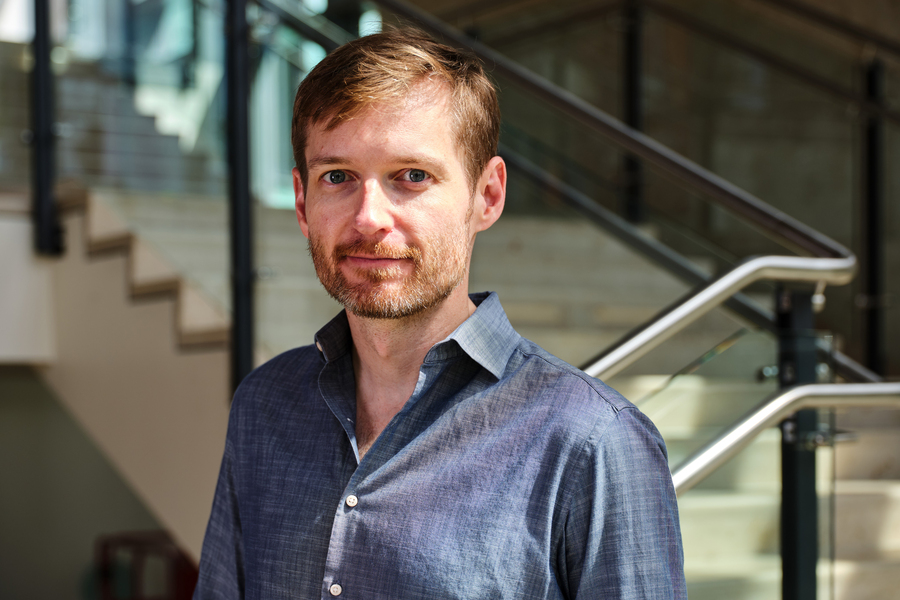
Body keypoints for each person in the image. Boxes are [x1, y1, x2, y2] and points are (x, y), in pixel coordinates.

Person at [194, 28, 685, 600]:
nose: (369, 217)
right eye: (338, 177)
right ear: (303, 202)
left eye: (412, 176)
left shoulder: (592, 440)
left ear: (488, 196)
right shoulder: (266, 403)